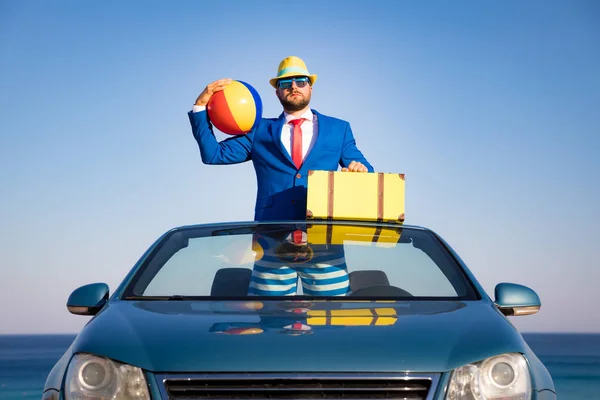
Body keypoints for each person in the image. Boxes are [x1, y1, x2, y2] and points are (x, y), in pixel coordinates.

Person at [188, 55, 374, 222]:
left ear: (310, 87)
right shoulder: (258, 130)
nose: (293, 86)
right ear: (277, 91)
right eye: (285, 83)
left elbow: (367, 173)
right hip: (270, 239)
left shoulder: (339, 129)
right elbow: (213, 155)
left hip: (324, 240)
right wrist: (200, 107)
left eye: (301, 81)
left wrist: (360, 171)